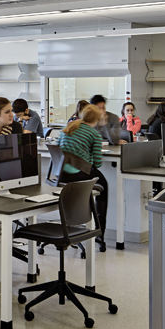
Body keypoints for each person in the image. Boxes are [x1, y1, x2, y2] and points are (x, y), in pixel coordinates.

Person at [60, 105, 109, 249]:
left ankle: (68, 226)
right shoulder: (94, 134)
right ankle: (100, 233)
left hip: (61, 176)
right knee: (104, 187)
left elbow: (58, 150)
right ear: (97, 118)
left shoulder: (68, 127)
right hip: (79, 175)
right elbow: (97, 163)